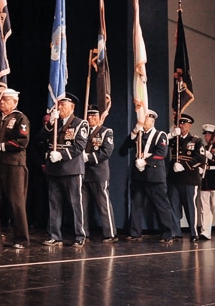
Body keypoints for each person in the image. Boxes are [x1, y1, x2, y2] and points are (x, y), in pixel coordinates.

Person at [0, 88, 30, 249]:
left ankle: (21, 238)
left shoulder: (20, 118)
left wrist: (2, 146)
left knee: (16, 201)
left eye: (6, 100)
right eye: (2, 100)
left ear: (15, 102)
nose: (2, 102)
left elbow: (22, 141)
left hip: (14, 164)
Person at [39, 92, 87, 247]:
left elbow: (79, 147)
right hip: (54, 169)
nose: (60, 108)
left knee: (75, 204)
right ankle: (55, 235)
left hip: (72, 169)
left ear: (72, 107)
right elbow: (41, 137)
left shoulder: (80, 124)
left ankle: (80, 235)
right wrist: (50, 124)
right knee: (54, 204)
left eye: (63, 105)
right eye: (59, 105)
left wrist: (60, 155)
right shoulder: (55, 123)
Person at [124, 110, 175, 243]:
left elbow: (161, 154)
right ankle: (135, 233)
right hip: (139, 176)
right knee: (136, 205)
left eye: (144, 119)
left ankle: (167, 233)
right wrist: (135, 131)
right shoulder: (139, 135)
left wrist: (145, 161)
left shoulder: (160, 135)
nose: (142, 120)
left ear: (151, 121)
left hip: (154, 176)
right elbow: (125, 147)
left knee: (161, 206)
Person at [81, 104, 117, 243]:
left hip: (98, 172)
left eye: (94, 116)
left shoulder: (106, 132)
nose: (91, 118)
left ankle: (110, 234)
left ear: (98, 117)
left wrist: (88, 158)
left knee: (103, 204)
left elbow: (106, 151)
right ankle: (84, 233)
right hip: (84, 173)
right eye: (89, 116)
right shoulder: (82, 132)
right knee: (82, 205)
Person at [167, 113, 205, 242]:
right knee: (173, 206)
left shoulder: (196, 140)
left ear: (190, 125)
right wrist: (171, 134)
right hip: (174, 178)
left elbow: (201, 158)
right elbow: (162, 143)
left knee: (190, 207)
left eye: (184, 123)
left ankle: (194, 233)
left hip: (189, 178)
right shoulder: (174, 140)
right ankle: (175, 231)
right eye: (180, 123)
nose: (181, 125)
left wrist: (184, 165)